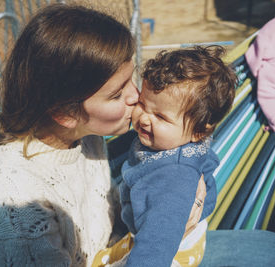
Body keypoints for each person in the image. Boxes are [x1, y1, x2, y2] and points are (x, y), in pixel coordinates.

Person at [0, 3, 275, 267]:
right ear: (64, 112)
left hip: (123, 253)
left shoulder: (87, 139)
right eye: (117, 93)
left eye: (133, 78)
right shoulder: (13, 199)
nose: (136, 97)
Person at [94, 46, 236, 267]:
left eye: (160, 116)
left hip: (167, 255)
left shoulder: (174, 178)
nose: (144, 118)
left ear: (199, 131)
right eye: (142, 104)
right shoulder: (172, 139)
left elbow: (157, 242)